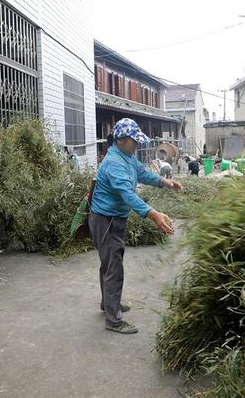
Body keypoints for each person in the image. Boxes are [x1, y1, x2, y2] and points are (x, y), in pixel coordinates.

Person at [89, 118, 182, 334]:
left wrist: (165, 182)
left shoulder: (127, 157)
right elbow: (128, 195)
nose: (138, 144)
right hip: (106, 221)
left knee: (109, 263)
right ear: (121, 140)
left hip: (114, 218)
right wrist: (153, 214)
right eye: (135, 141)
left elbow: (143, 173)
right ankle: (113, 320)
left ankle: (108, 304)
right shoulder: (114, 163)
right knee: (114, 267)